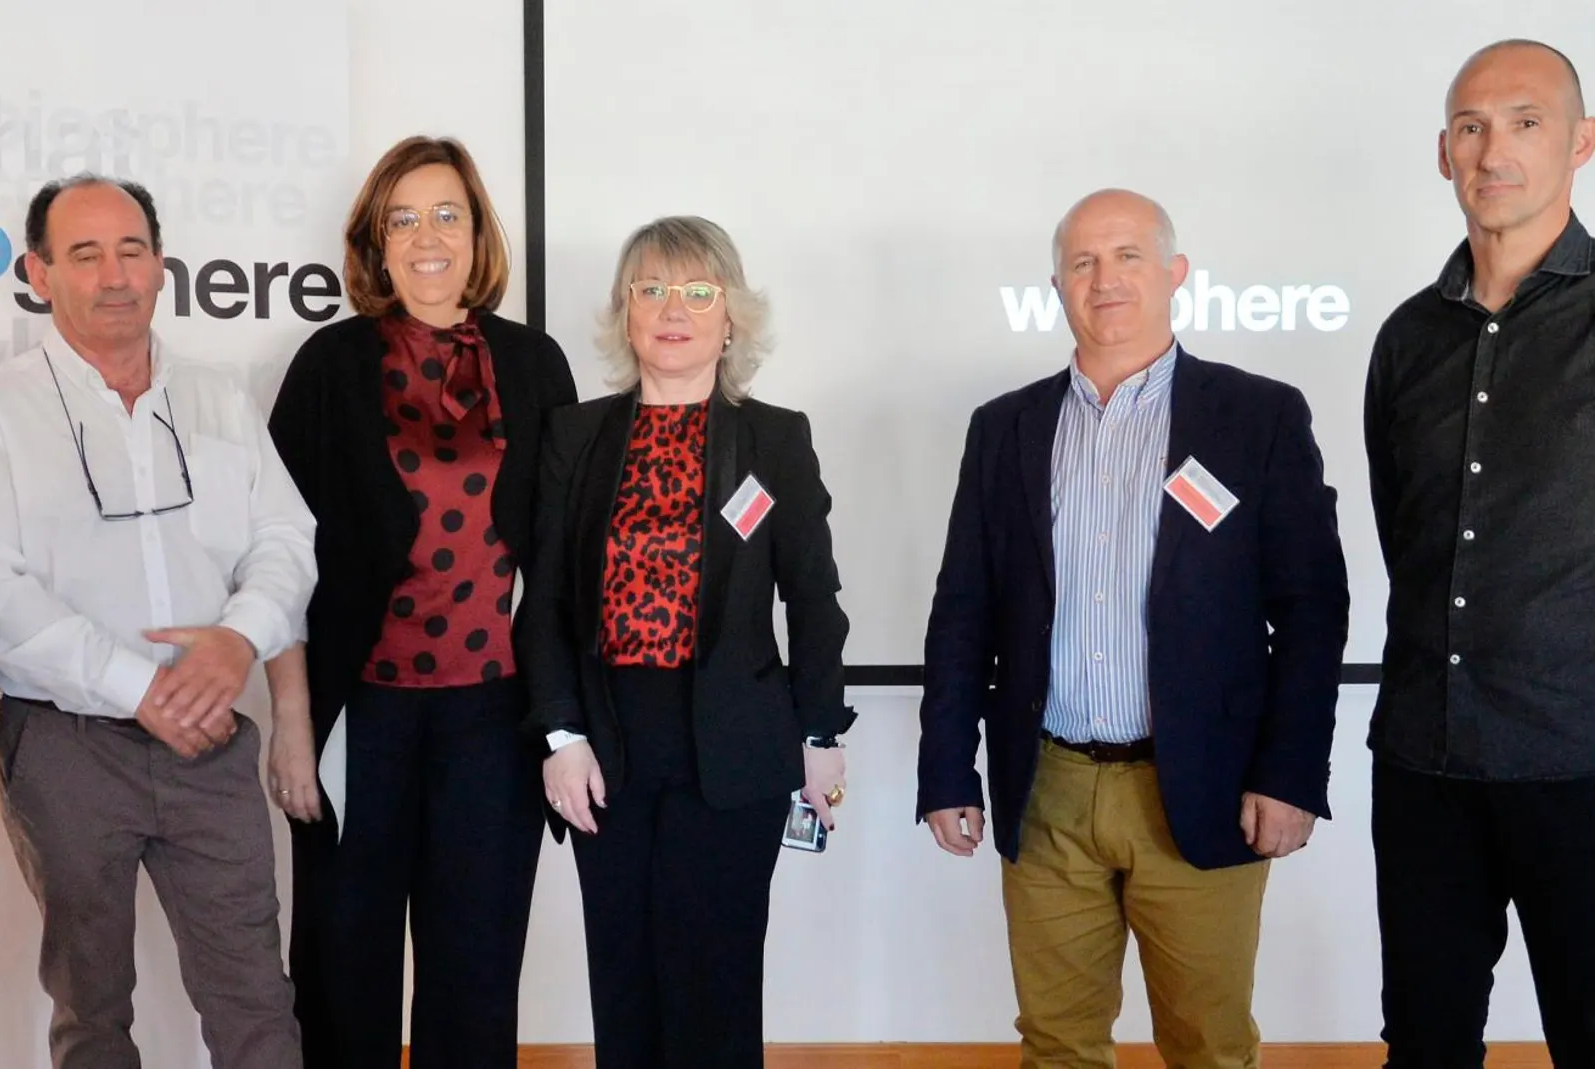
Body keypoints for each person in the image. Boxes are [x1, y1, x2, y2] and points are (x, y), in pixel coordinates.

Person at [917, 189, 1348, 1067]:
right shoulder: (1003, 429)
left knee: (1208, 1043)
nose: (1104, 278)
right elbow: (963, 610)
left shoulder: (1257, 417)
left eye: (1126, 257)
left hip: (1204, 782)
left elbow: (1312, 608)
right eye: (1082, 262)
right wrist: (944, 768)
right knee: (1058, 1043)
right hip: (1050, 787)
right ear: (1057, 285)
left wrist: (1293, 772)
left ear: (1175, 275)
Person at [0, 174, 317, 1069]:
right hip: (67, 748)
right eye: (86, 253)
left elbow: (285, 537)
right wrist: (140, 687)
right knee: (90, 1005)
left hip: (212, 734)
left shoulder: (221, 398)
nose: (115, 275)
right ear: (38, 271)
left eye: (132, 250)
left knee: (257, 997)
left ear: (160, 265)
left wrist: (239, 638)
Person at [266, 135, 576, 1068]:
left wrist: (566, 724)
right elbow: (273, 552)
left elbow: (559, 559)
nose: (427, 237)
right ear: (376, 242)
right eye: (404, 219)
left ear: (480, 235)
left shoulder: (534, 364)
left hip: (491, 713)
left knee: (475, 973)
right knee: (343, 969)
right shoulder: (328, 365)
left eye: (448, 214)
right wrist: (290, 721)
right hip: (361, 713)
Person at [517, 215, 855, 1069]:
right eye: (652, 288)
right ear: (625, 312)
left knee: (717, 981)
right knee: (624, 979)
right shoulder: (577, 434)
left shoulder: (775, 437)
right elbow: (546, 598)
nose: (676, 309)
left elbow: (813, 599)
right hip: (608, 745)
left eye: (700, 291)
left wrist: (819, 733)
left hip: (735, 745)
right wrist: (560, 735)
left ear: (731, 313)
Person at [1364, 39, 1595, 1066]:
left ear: (1581, 142)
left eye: (1524, 121)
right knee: (1422, 1041)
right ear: (1443, 153)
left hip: (1579, 765)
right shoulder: (1405, 340)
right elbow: (1401, 532)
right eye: (1469, 126)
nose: (1491, 148)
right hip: (1424, 761)